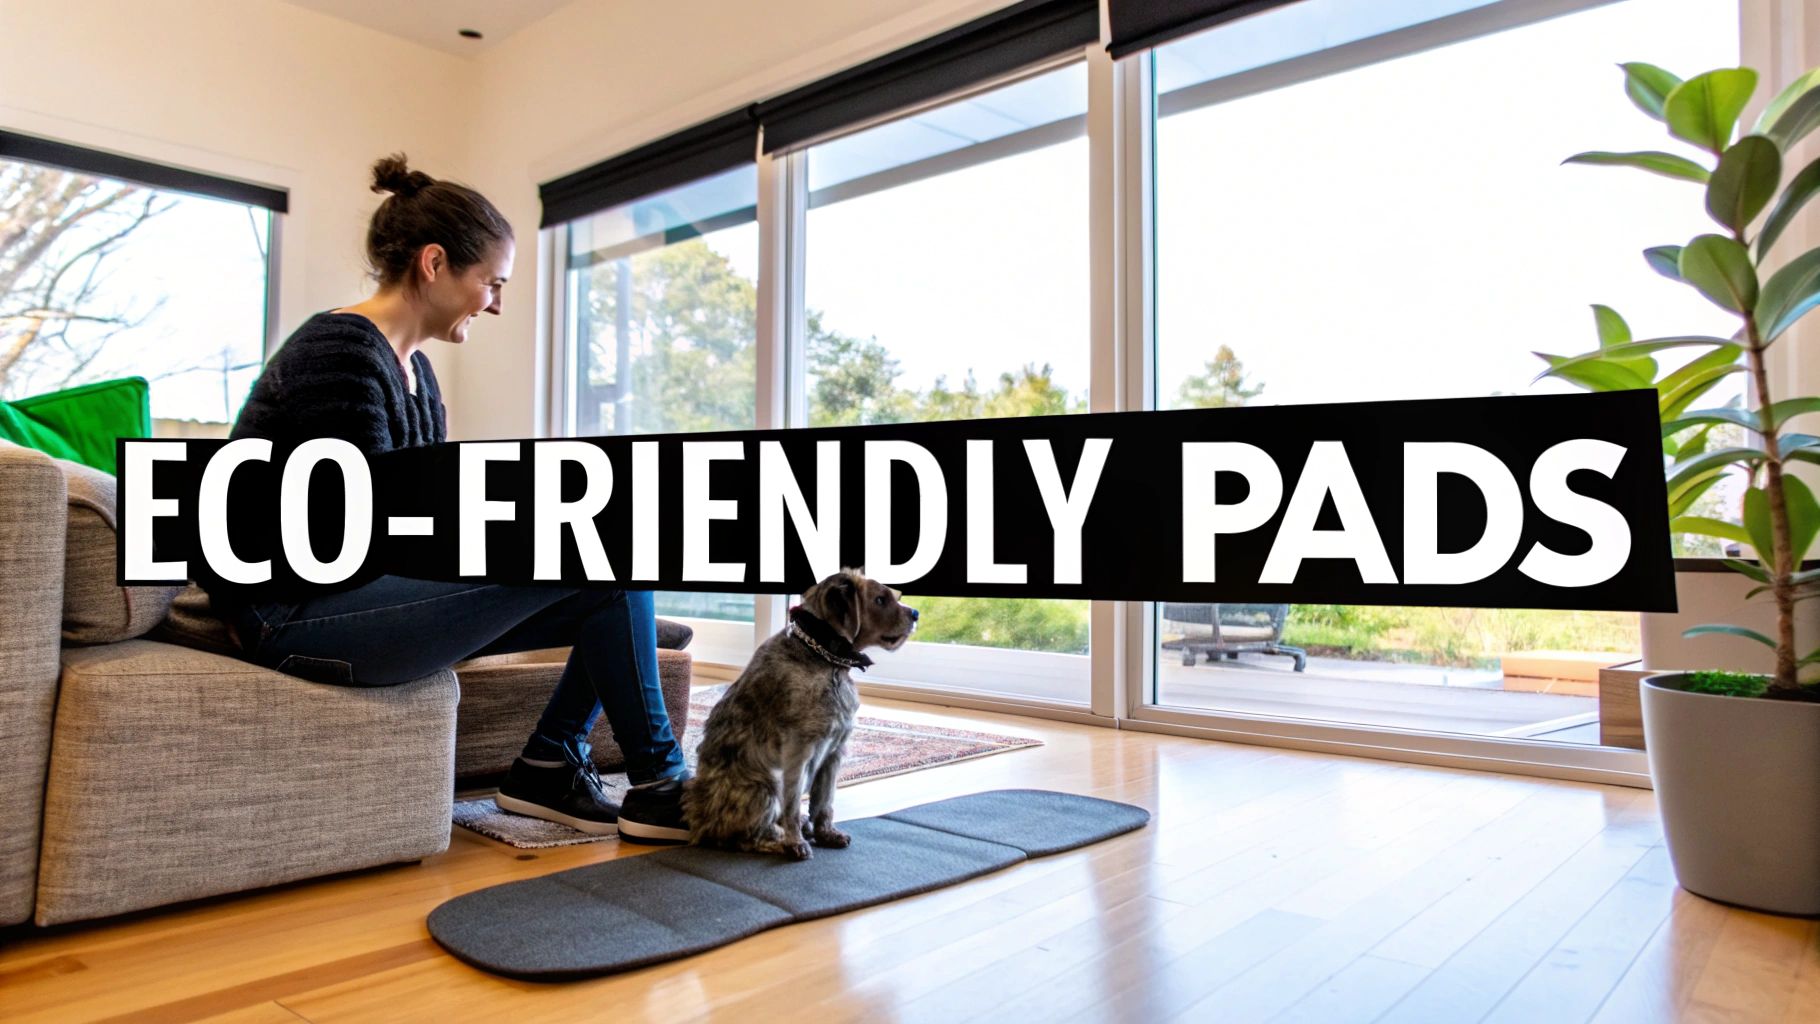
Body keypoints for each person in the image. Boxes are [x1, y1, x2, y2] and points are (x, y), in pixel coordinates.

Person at [202, 154, 689, 844]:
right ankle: (665, 784)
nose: (496, 302)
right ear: (435, 263)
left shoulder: (417, 373)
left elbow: (425, 521)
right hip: (293, 615)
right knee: (594, 550)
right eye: (491, 282)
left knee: (608, 568)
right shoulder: (338, 348)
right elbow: (361, 534)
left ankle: (550, 765)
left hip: (355, 599)